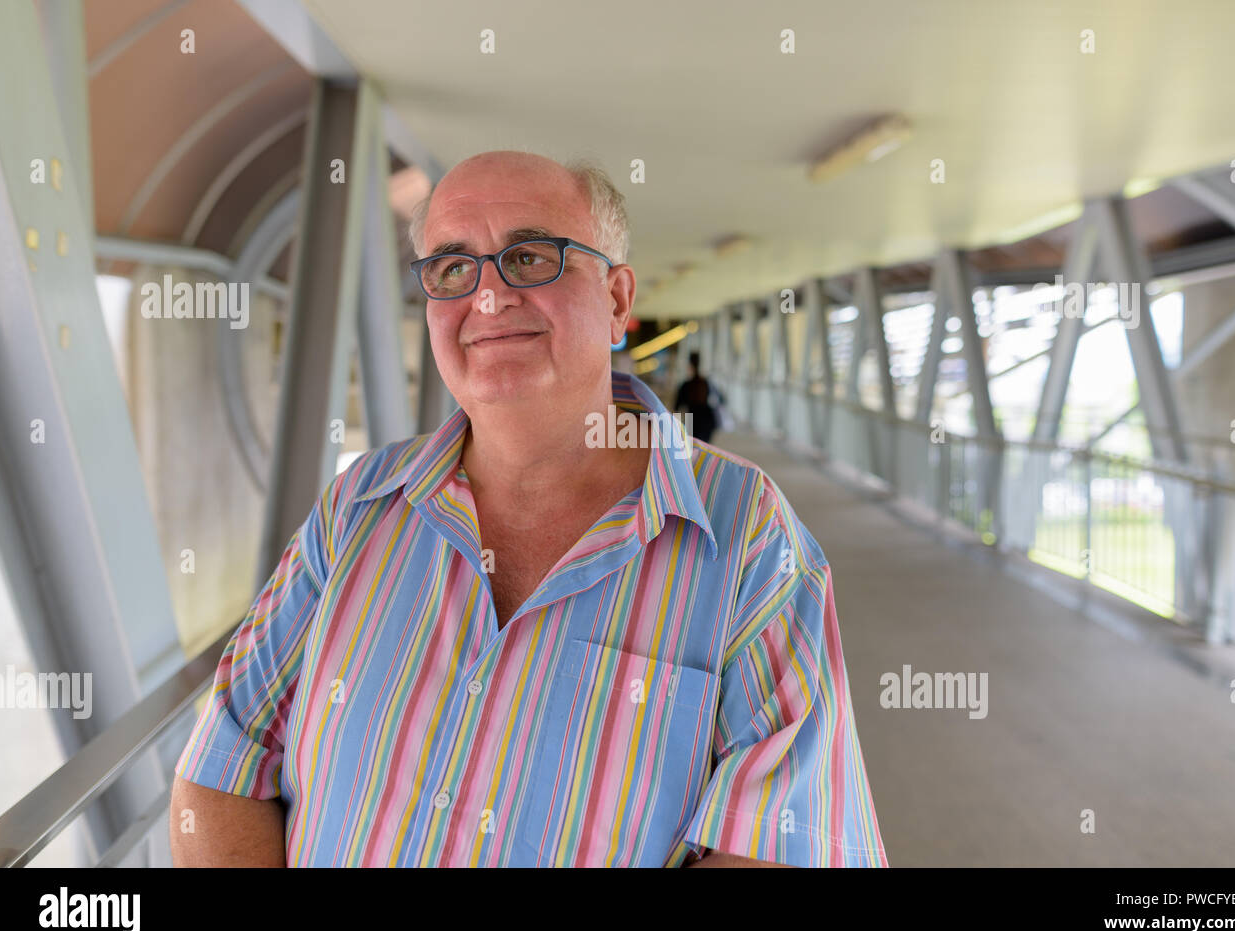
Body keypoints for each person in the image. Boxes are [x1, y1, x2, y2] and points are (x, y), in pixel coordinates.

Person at [170, 150, 886, 868]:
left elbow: (782, 845)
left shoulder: (743, 533)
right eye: (453, 268)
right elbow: (221, 765)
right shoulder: (357, 507)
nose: (488, 298)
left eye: (532, 258)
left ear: (616, 299)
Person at [674, 351, 723, 444]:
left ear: (690, 364)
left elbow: (677, 407)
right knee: (703, 447)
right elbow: (721, 399)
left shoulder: (686, 385)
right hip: (706, 419)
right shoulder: (706, 383)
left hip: (691, 419)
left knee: (691, 449)